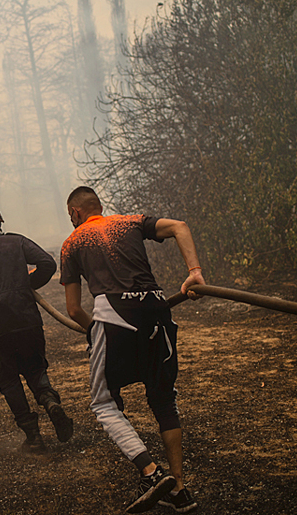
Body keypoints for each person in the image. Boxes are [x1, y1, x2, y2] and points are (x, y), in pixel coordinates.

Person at [60, 186, 204, 513]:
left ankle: (151, 475)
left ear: (75, 213)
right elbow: (180, 226)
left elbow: (73, 309)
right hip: (156, 308)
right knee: (163, 398)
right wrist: (194, 273)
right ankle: (179, 489)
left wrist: (97, 332)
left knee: (103, 401)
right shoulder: (130, 222)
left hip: (113, 316)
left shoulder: (73, 243)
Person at [0, 201, 74, 453]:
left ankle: (33, 436)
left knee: (8, 379)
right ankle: (49, 402)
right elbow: (48, 264)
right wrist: (25, 285)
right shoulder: (17, 241)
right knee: (35, 368)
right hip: (28, 321)